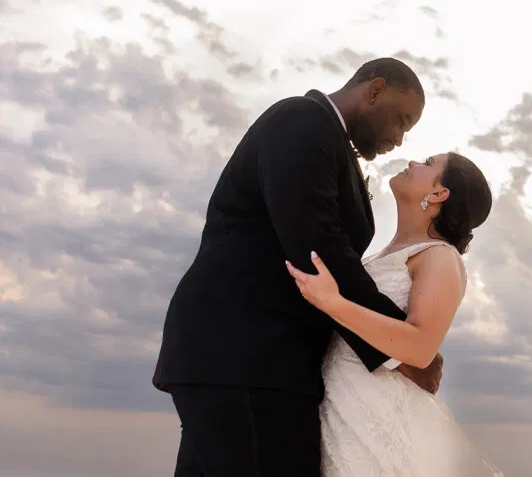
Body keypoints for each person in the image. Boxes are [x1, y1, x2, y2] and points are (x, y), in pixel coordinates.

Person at [152, 57, 444, 477]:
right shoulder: (301, 123)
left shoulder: (326, 140)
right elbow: (317, 250)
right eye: (401, 121)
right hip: (246, 357)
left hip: (248, 361)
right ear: (374, 90)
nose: (398, 140)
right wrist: (404, 351)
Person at [286, 151, 502, 476]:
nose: (414, 162)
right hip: (339, 402)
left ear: (439, 193)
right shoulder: (383, 253)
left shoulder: (439, 256)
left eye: (428, 164)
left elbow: (420, 347)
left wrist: (333, 303)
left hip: (374, 414)